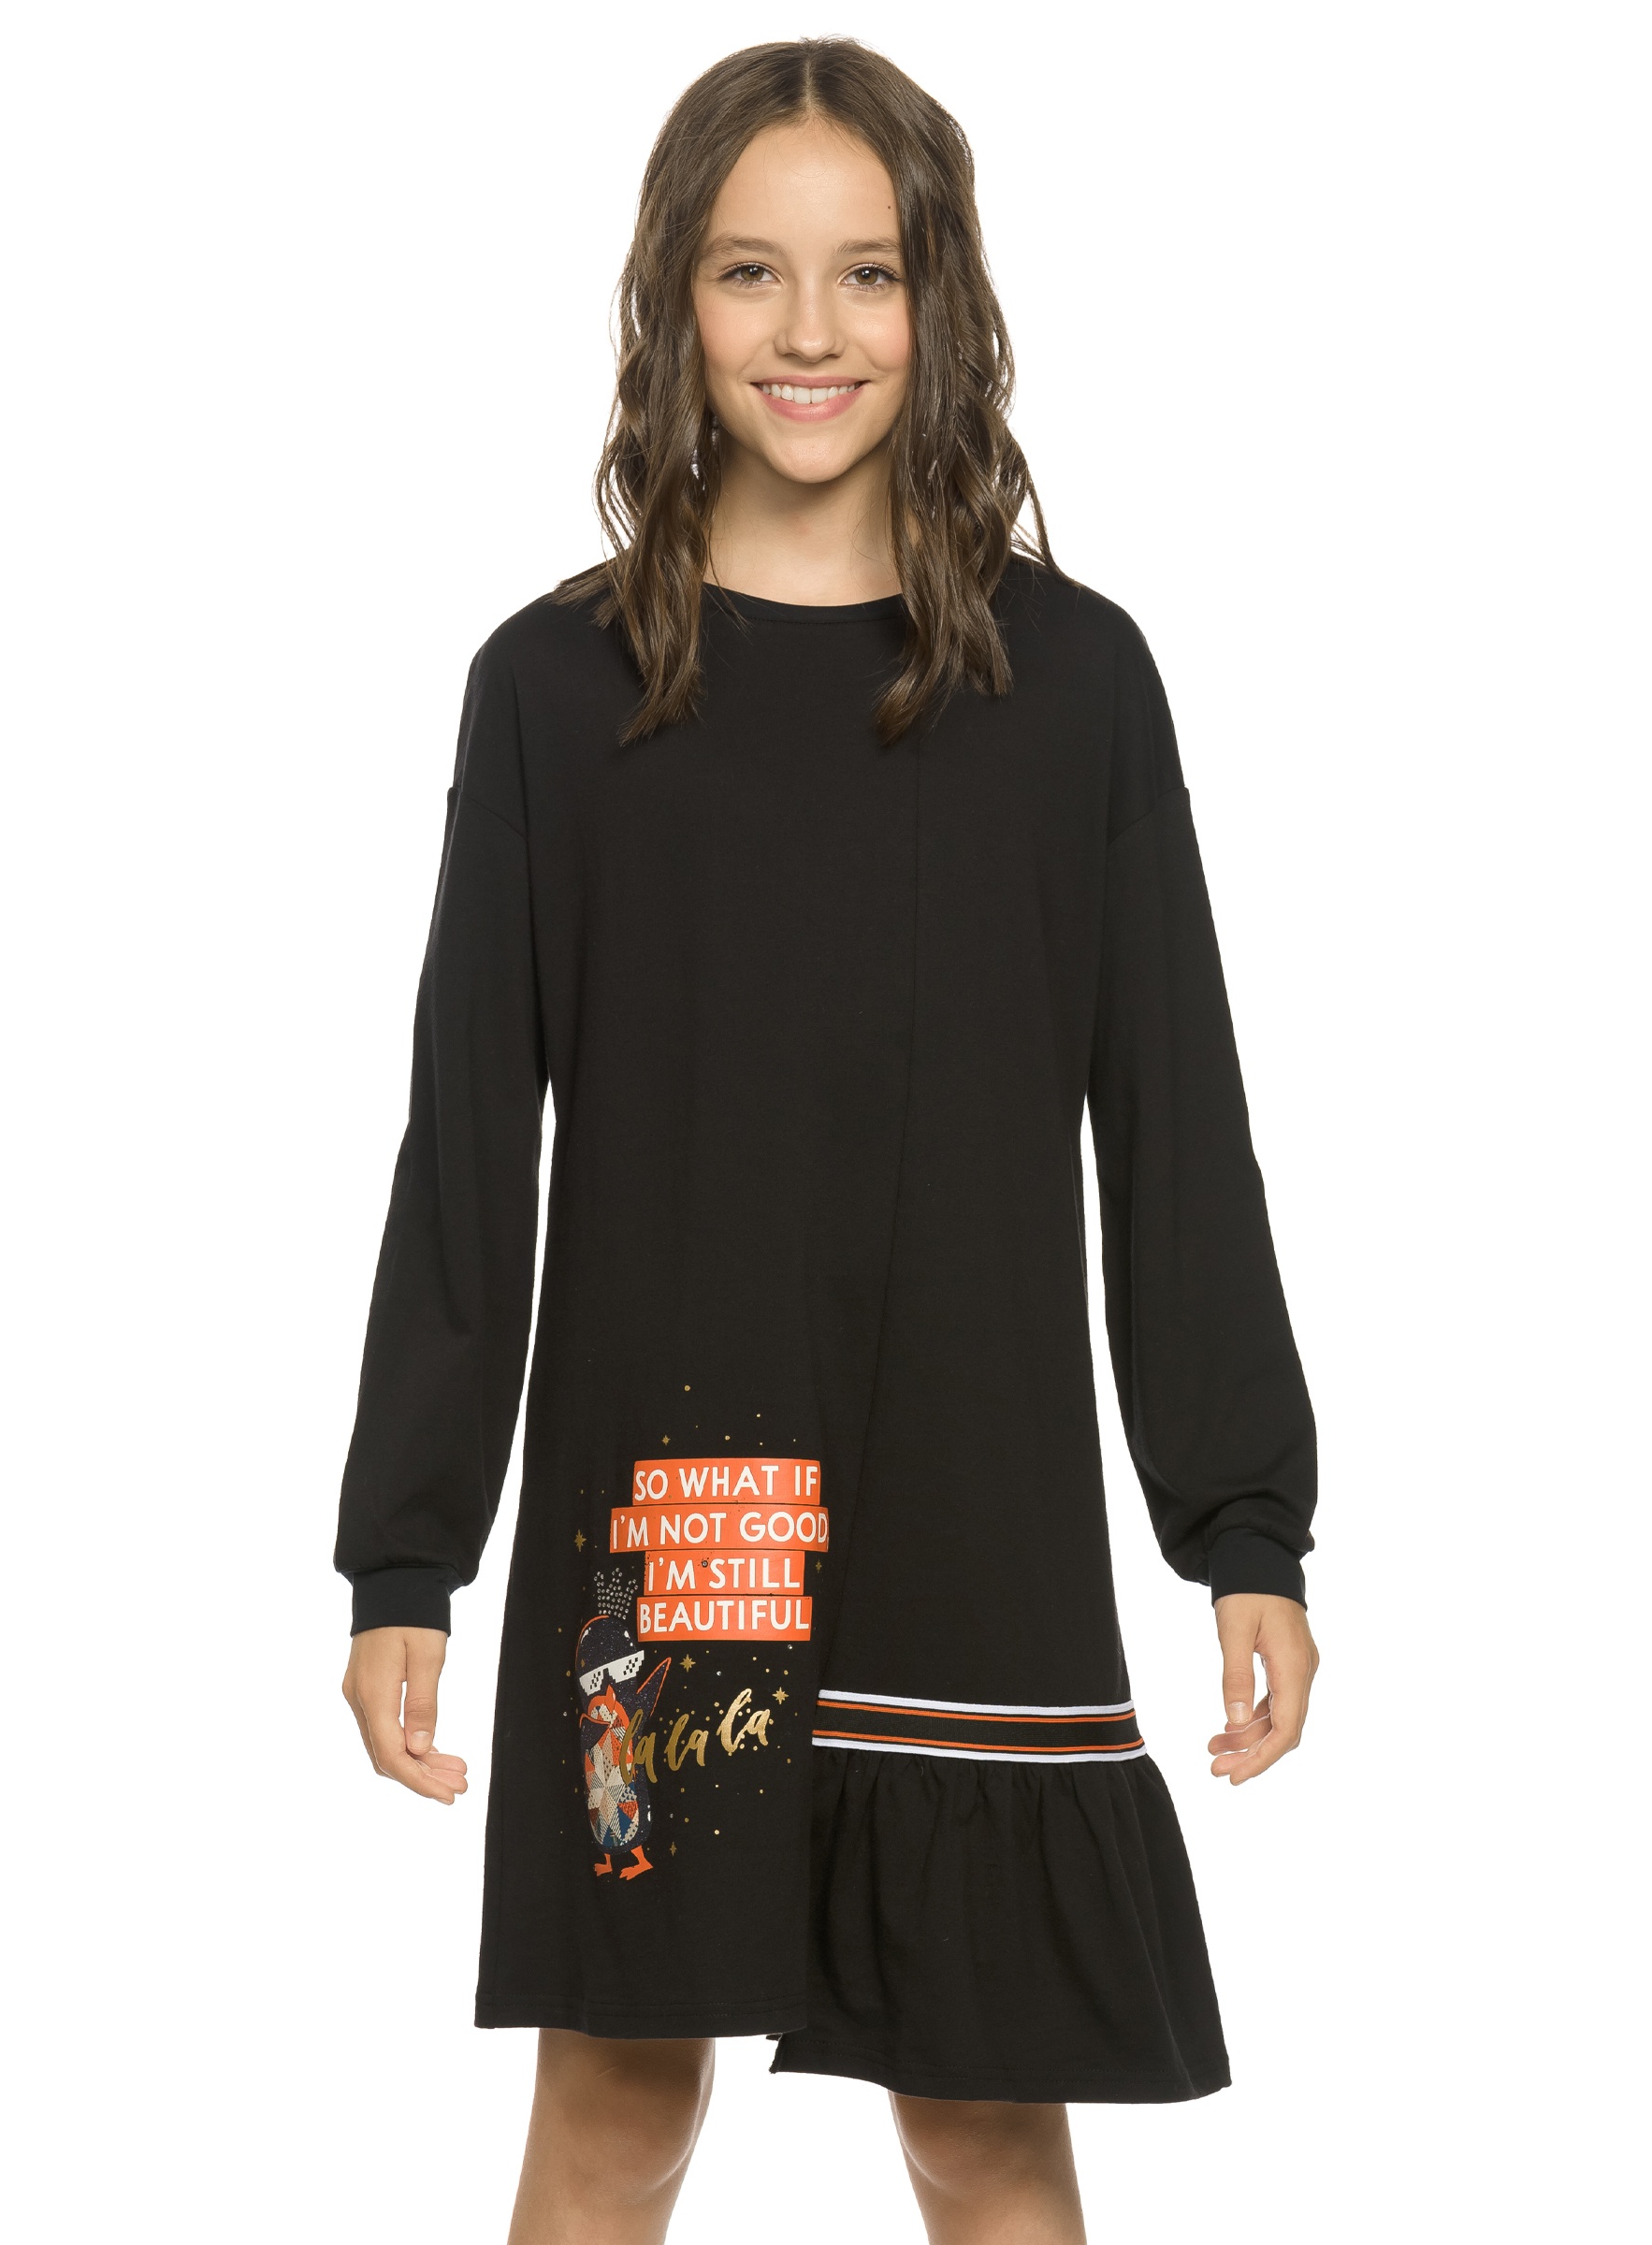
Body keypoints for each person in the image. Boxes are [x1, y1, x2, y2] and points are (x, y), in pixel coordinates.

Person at [336, 36, 1320, 2245]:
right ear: (673, 302)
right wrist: (409, 1553)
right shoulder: (556, 693)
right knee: (617, 2112)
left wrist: (1243, 1523)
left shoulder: (1077, 687)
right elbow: (467, 1146)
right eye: (749, 272)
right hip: (674, 1511)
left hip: (979, 1506)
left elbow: (1179, 1125)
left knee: (985, 2133)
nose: (810, 331)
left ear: (938, 297)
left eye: (867, 273)